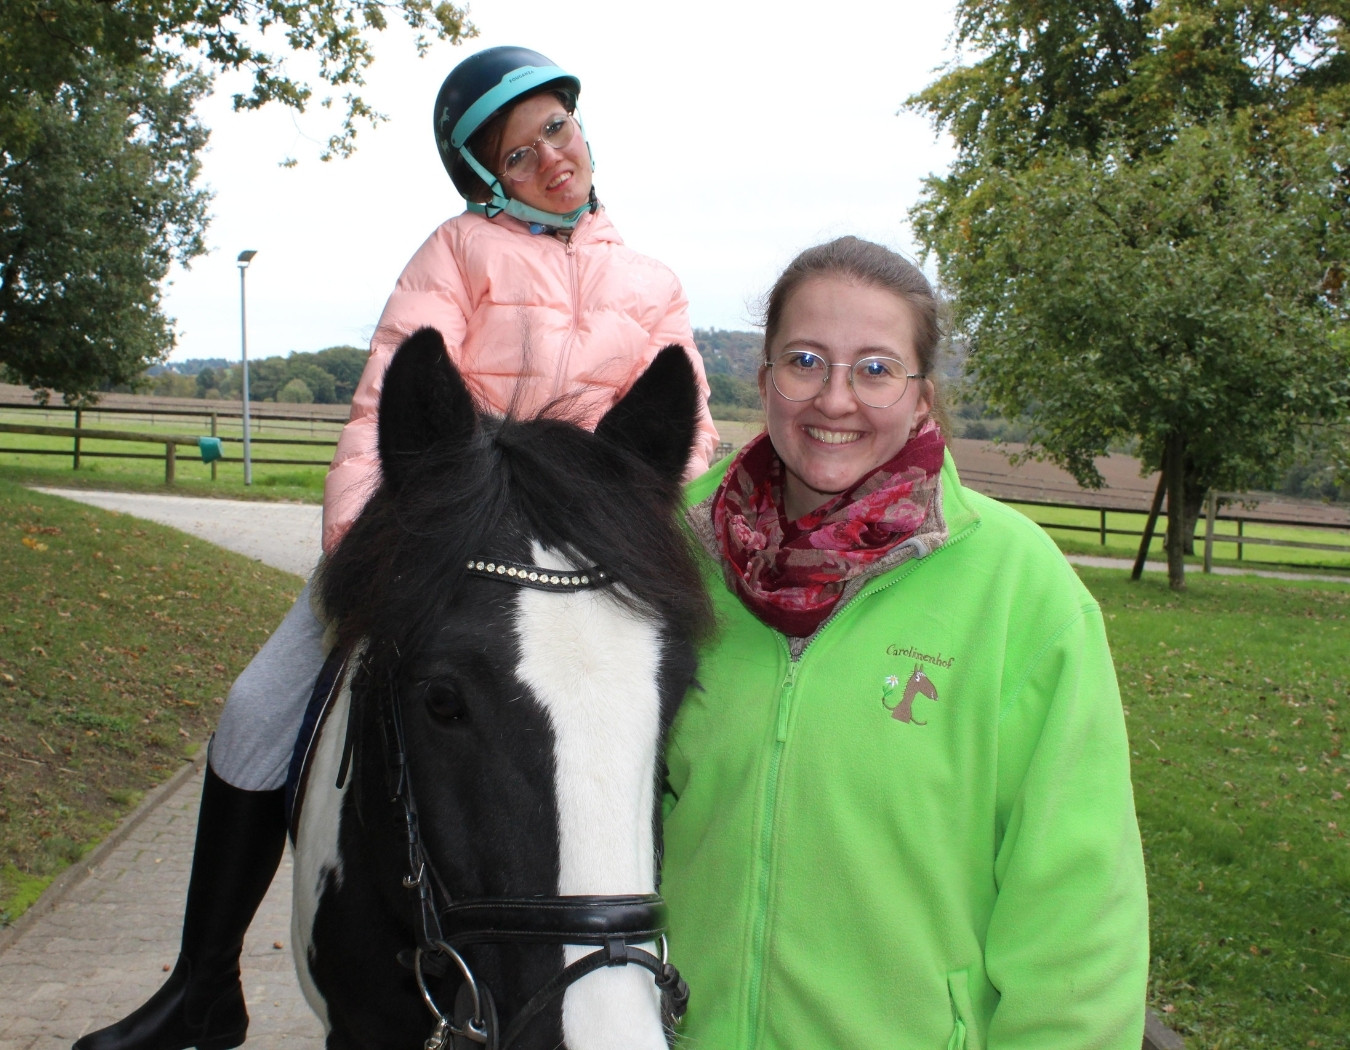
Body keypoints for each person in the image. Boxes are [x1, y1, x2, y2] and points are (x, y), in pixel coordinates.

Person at [74, 45, 718, 1050]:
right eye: (517, 154)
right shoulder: (453, 257)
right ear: (485, 179)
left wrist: (623, 526)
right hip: (453, 542)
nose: (552, 157)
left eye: (557, 127)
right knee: (256, 709)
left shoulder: (653, 282)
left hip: (585, 558)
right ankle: (200, 985)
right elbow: (390, 405)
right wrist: (368, 560)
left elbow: (689, 433)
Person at [660, 236, 1148, 1049]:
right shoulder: (669, 563)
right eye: (806, 360)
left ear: (924, 399)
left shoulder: (1019, 590)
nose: (835, 399)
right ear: (765, 377)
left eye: (877, 368)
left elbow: (1078, 913)